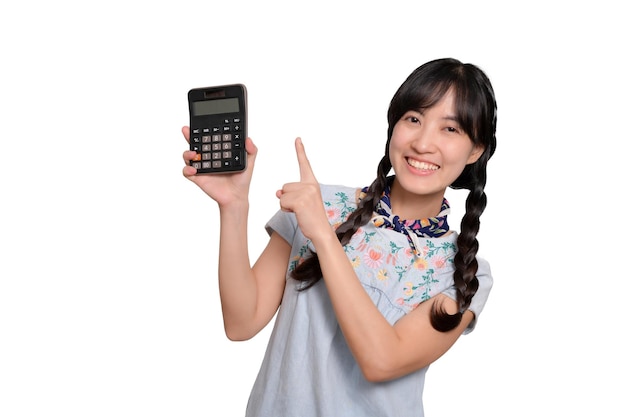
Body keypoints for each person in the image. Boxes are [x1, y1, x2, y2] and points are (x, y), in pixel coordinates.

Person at [181, 57, 497, 417]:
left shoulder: (464, 274)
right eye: (414, 119)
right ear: (393, 125)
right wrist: (234, 206)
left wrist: (324, 237)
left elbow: (382, 360)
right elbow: (241, 322)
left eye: (450, 129)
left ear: (476, 150)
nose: (424, 143)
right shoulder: (321, 204)